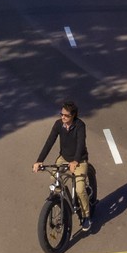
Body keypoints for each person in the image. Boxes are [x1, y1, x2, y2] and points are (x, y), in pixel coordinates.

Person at [34, 99, 92, 232]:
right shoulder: (58, 124)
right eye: (61, 114)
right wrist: (39, 160)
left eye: (66, 115)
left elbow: (80, 144)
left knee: (79, 189)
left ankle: (86, 215)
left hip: (79, 160)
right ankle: (63, 201)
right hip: (64, 158)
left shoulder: (80, 125)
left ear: (73, 116)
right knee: (54, 178)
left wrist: (76, 161)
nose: (63, 117)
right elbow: (49, 142)